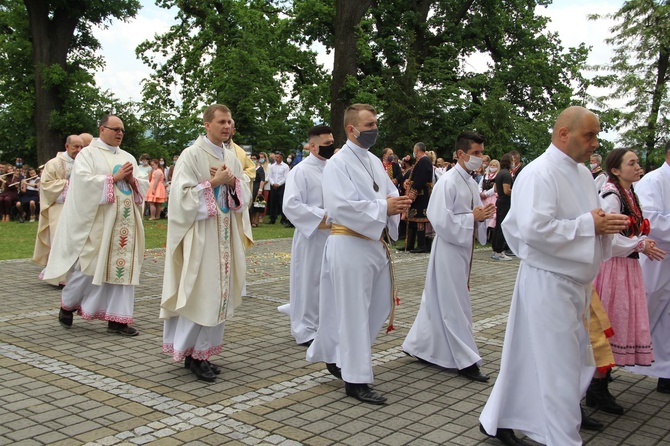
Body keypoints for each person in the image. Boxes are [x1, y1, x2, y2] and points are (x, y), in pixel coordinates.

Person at [479, 106, 629, 446]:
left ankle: (502, 418)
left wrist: (624, 239)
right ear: (564, 134)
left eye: (596, 135)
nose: (595, 143)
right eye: (589, 135)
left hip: (574, 283)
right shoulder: (539, 172)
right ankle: (562, 438)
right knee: (562, 369)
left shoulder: (581, 174)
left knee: (559, 361)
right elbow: (533, 229)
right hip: (549, 280)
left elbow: (592, 224)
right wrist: (591, 224)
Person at [306, 103, 412, 404]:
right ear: (351, 129)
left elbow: (388, 190)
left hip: (373, 244)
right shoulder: (338, 164)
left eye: (376, 123)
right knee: (354, 315)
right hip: (350, 243)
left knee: (377, 308)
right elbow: (339, 207)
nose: (374, 130)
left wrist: (397, 201)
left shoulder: (373, 160)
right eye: (369, 125)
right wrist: (383, 208)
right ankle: (355, 380)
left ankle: (342, 355)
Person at [160, 104, 251, 382]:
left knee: (218, 296)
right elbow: (180, 197)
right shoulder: (191, 155)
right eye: (221, 121)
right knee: (201, 293)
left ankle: (203, 353)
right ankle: (192, 354)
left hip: (223, 236)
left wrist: (233, 182)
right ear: (207, 125)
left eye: (230, 122)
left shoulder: (230, 156)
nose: (227, 126)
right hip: (201, 238)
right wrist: (213, 183)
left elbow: (242, 194)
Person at [43, 115, 149, 336]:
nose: (120, 133)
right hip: (99, 224)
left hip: (126, 225)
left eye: (122, 130)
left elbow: (142, 184)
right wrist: (113, 178)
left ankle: (118, 320)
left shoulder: (127, 155)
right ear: (102, 129)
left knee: (123, 271)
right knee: (88, 269)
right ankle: (67, 304)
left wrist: (132, 181)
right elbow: (82, 184)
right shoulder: (88, 154)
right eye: (115, 129)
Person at [402, 131, 495, 381]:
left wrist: (483, 213)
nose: (480, 157)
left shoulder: (468, 180)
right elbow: (439, 217)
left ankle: (421, 346)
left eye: (481, 153)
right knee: (455, 303)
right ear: (461, 154)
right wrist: (472, 218)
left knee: (436, 299)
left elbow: (472, 211)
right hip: (449, 247)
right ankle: (466, 360)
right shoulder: (449, 181)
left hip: (461, 247)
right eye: (475, 153)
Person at [279, 125, 335, 346]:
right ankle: (304, 329)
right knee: (308, 282)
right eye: (327, 144)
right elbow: (291, 205)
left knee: (329, 281)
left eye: (332, 143)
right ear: (313, 146)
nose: (331, 147)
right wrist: (323, 218)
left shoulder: (334, 168)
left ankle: (324, 325)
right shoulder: (300, 171)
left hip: (334, 236)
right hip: (311, 235)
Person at [628, 141, 670, 394]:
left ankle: (664, 371)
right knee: (644, 311)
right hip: (655, 258)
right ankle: (603, 370)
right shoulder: (653, 181)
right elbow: (648, 219)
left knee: (667, 319)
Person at [33, 135, 83, 285]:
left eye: (81, 147)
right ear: (67, 146)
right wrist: (68, 184)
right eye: (76, 147)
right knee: (60, 242)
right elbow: (46, 185)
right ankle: (60, 278)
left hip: (79, 210)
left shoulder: (84, 163)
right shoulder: (53, 163)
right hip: (59, 208)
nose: (79, 150)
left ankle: (76, 278)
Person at [402, 142, 434, 253]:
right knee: (412, 219)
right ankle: (409, 244)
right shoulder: (420, 161)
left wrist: (413, 193)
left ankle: (422, 245)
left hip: (421, 195)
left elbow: (421, 179)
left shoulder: (424, 161)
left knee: (420, 220)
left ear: (416, 150)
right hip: (418, 194)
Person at [490, 153, 513, 261]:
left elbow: (495, 189)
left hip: (499, 201)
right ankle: (499, 251)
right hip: (505, 202)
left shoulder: (499, 174)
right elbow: (506, 190)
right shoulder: (506, 175)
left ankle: (495, 249)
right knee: (502, 226)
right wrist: (517, 192)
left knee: (498, 225)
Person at [267, 152, 289, 225]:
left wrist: (278, 184)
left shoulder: (285, 166)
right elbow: (269, 176)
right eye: (275, 157)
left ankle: (283, 219)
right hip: (273, 186)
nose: (276, 159)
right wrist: (273, 183)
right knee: (273, 202)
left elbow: (286, 177)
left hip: (281, 186)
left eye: (278, 157)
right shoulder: (272, 166)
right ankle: (272, 218)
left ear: (281, 158)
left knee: (281, 202)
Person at [479, 159, 499, 240]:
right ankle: (483, 234)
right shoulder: (485, 175)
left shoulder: (497, 176)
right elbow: (480, 185)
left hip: (492, 196)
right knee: (483, 214)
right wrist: (480, 192)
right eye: (491, 165)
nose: (492, 167)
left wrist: (486, 194)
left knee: (492, 216)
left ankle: (491, 235)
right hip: (483, 197)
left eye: (494, 166)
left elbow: (495, 188)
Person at [249, 153, 266, 227]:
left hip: (257, 187)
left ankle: (255, 221)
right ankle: (249, 220)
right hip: (250, 187)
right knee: (250, 205)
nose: (253, 160)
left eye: (254, 158)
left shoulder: (260, 168)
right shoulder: (250, 168)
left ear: (258, 159)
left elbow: (262, 179)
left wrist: (260, 189)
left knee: (257, 205)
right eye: (252, 158)